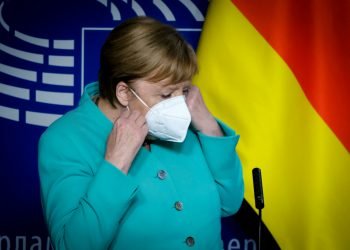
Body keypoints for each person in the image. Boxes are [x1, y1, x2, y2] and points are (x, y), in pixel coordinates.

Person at [38, 16, 244, 250]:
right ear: (124, 92)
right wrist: (116, 163)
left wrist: (209, 127)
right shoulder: (64, 140)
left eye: (184, 90)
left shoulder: (183, 123)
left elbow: (230, 202)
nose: (180, 105)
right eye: (166, 95)